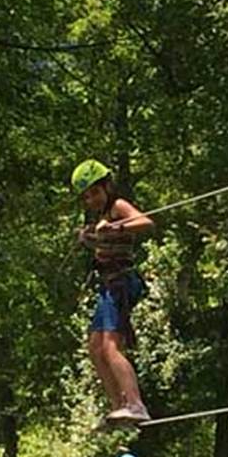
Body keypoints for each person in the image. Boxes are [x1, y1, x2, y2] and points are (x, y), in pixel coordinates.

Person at [72, 159, 155, 426]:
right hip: (107, 286)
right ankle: (118, 404)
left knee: (110, 347)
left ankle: (135, 403)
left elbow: (145, 223)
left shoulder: (117, 207)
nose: (91, 200)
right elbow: (106, 245)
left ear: (107, 186)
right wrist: (89, 238)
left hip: (121, 282)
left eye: (94, 192)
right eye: (85, 196)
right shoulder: (101, 217)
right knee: (95, 348)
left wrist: (117, 226)